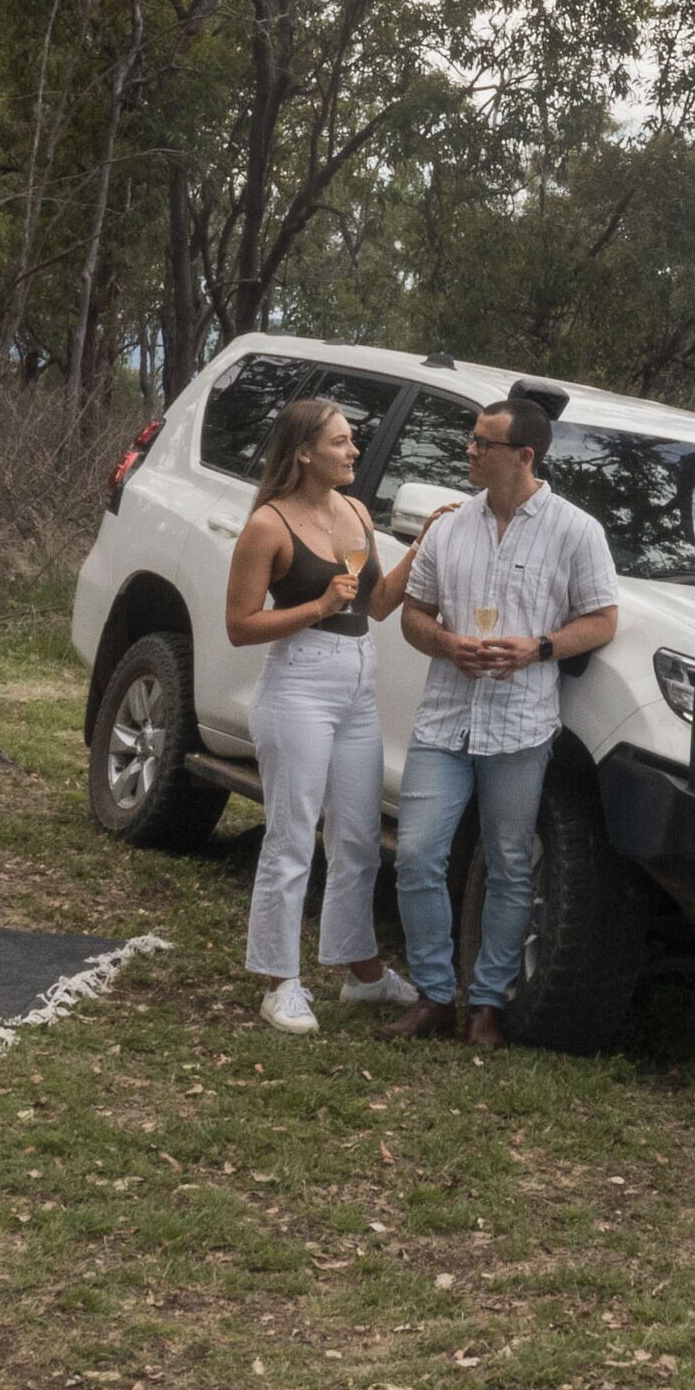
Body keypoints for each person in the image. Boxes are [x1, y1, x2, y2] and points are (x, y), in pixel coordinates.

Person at [383, 393, 618, 1050]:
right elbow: (414, 614)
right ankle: (434, 995)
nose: (469, 450)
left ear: (523, 455)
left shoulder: (576, 531)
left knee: (512, 865)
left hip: (520, 723)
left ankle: (486, 1004)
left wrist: (537, 649)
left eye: (481, 443)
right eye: (470, 439)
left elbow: (602, 620)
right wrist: (445, 644)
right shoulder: (450, 527)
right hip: (445, 719)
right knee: (419, 857)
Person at [225, 397, 427, 1034]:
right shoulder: (269, 525)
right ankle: (279, 981)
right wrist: (315, 607)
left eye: (351, 440)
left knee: (359, 839)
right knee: (291, 838)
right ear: (305, 452)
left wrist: (421, 550)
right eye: (341, 442)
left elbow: (379, 605)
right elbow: (239, 626)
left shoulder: (358, 512)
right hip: (299, 687)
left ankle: (359, 972)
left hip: (359, 686)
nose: (354, 451)